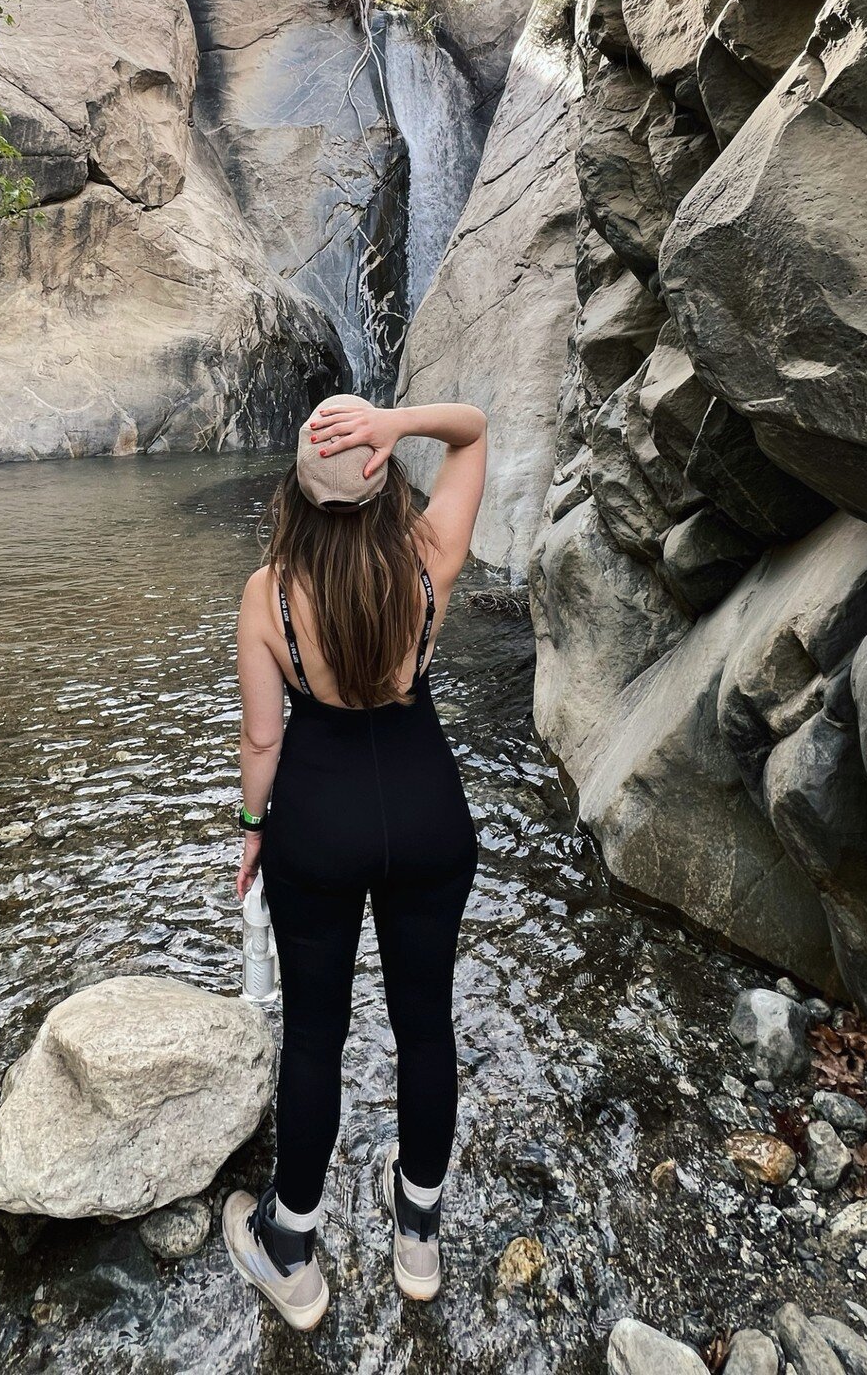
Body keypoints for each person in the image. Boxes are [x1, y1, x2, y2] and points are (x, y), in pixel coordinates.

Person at [221, 393, 489, 1330]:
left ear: (297, 487)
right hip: (427, 815)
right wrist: (399, 420)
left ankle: (290, 1247)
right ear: (382, 475)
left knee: (315, 1035)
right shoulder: (425, 560)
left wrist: (255, 825)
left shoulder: (268, 591)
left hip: (319, 825)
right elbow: (475, 430)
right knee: (425, 1027)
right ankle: (418, 1234)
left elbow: (263, 744)